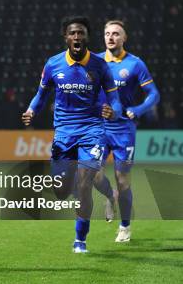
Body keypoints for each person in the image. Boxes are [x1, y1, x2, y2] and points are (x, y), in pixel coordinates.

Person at [22, 16, 122, 253]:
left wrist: (113, 111)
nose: (77, 37)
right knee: (61, 191)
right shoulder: (53, 64)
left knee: (85, 182)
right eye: (72, 33)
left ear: (87, 36)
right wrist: (31, 109)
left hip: (92, 130)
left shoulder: (99, 65)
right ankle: (107, 194)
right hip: (64, 133)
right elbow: (41, 94)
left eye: (81, 33)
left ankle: (80, 240)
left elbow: (115, 99)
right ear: (66, 37)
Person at [93, 20, 160, 242]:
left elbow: (153, 94)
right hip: (99, 128)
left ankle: (124, 226)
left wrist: (138, 109)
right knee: (93, 173)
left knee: (123, 181)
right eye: (107, 33)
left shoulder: (135, 64)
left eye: (116, 34)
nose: (110, 37)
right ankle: (109, 196)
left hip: (123, 130)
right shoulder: (95, 62)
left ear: (124, 38)